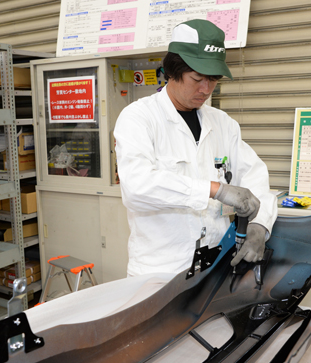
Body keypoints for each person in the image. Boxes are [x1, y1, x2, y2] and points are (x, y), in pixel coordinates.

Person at [114, 19, 278, 277]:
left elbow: (255, 178)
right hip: (160, 272)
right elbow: (137, 186)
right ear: (172, 71)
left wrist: (259, 226)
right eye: (197, 78)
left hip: (215, 266)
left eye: (213, 80)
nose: (206, 89)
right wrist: (215, 190)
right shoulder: (139, 118)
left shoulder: (222, 123)